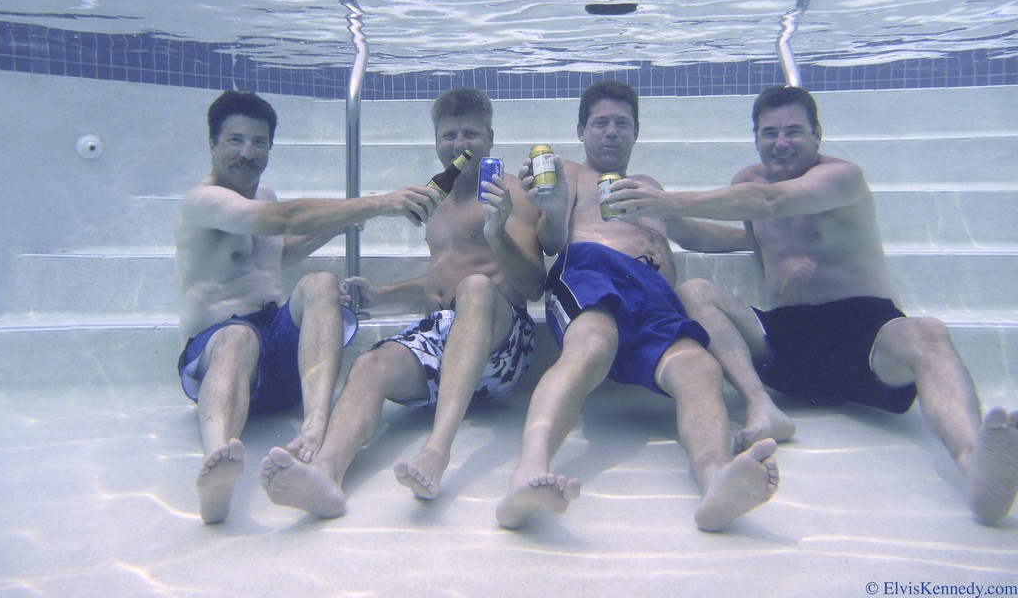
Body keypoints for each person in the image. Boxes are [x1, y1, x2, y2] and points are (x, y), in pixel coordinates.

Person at [607, 84, 1018, 523]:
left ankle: (975, 466)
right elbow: (723, 235)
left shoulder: (842, 177)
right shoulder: (746, 183)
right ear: (755, 138)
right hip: (788, 338)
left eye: (794, 131)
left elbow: (772, 202)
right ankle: (761, 404)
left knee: (927, 332)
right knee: (695, 292)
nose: (781, 142)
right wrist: (656, 216)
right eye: (769, 133)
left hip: (865, 334)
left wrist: (666, 200)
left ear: (817, 135)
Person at [495, 80, 779, 533]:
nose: (611, 132)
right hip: (592, 274)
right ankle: (526, 473)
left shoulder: (649, 186)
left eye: (621, 123)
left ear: (636, 132)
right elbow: (550, 241)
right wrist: (554, 208)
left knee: (700, 368)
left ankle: (715, 479)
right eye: (600, 123)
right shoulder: (571, 174)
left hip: (655, 297)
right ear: (582, 131)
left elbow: (693, 234)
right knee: (592, 345)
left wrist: (759, 238)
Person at [259, 87, 546, 517]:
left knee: (476, 287)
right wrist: (382, 295)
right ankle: (325, 474)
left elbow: (533, 285)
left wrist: (497, 232)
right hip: (445, 339)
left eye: (471, 134)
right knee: (368, 366)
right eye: (449, 135)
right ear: (436, 142)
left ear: (490, 138)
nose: (460, 144)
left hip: (502, 347)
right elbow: (439, 281)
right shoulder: (438, 202)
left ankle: (437, 450)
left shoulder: (509, 195)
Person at [176, 90, 441, 524]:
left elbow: (281, 254)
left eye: (259, 142)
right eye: (235, 140)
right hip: (221, 349)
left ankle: (315, 425)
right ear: (212, 144)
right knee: (239, 336)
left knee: (320, 282)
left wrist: (349, 219)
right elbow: (283, 219)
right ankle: (218, 460)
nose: (248, 153)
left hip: (275, 345)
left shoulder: (263, 193)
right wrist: (380, 203)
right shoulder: (204, 201)